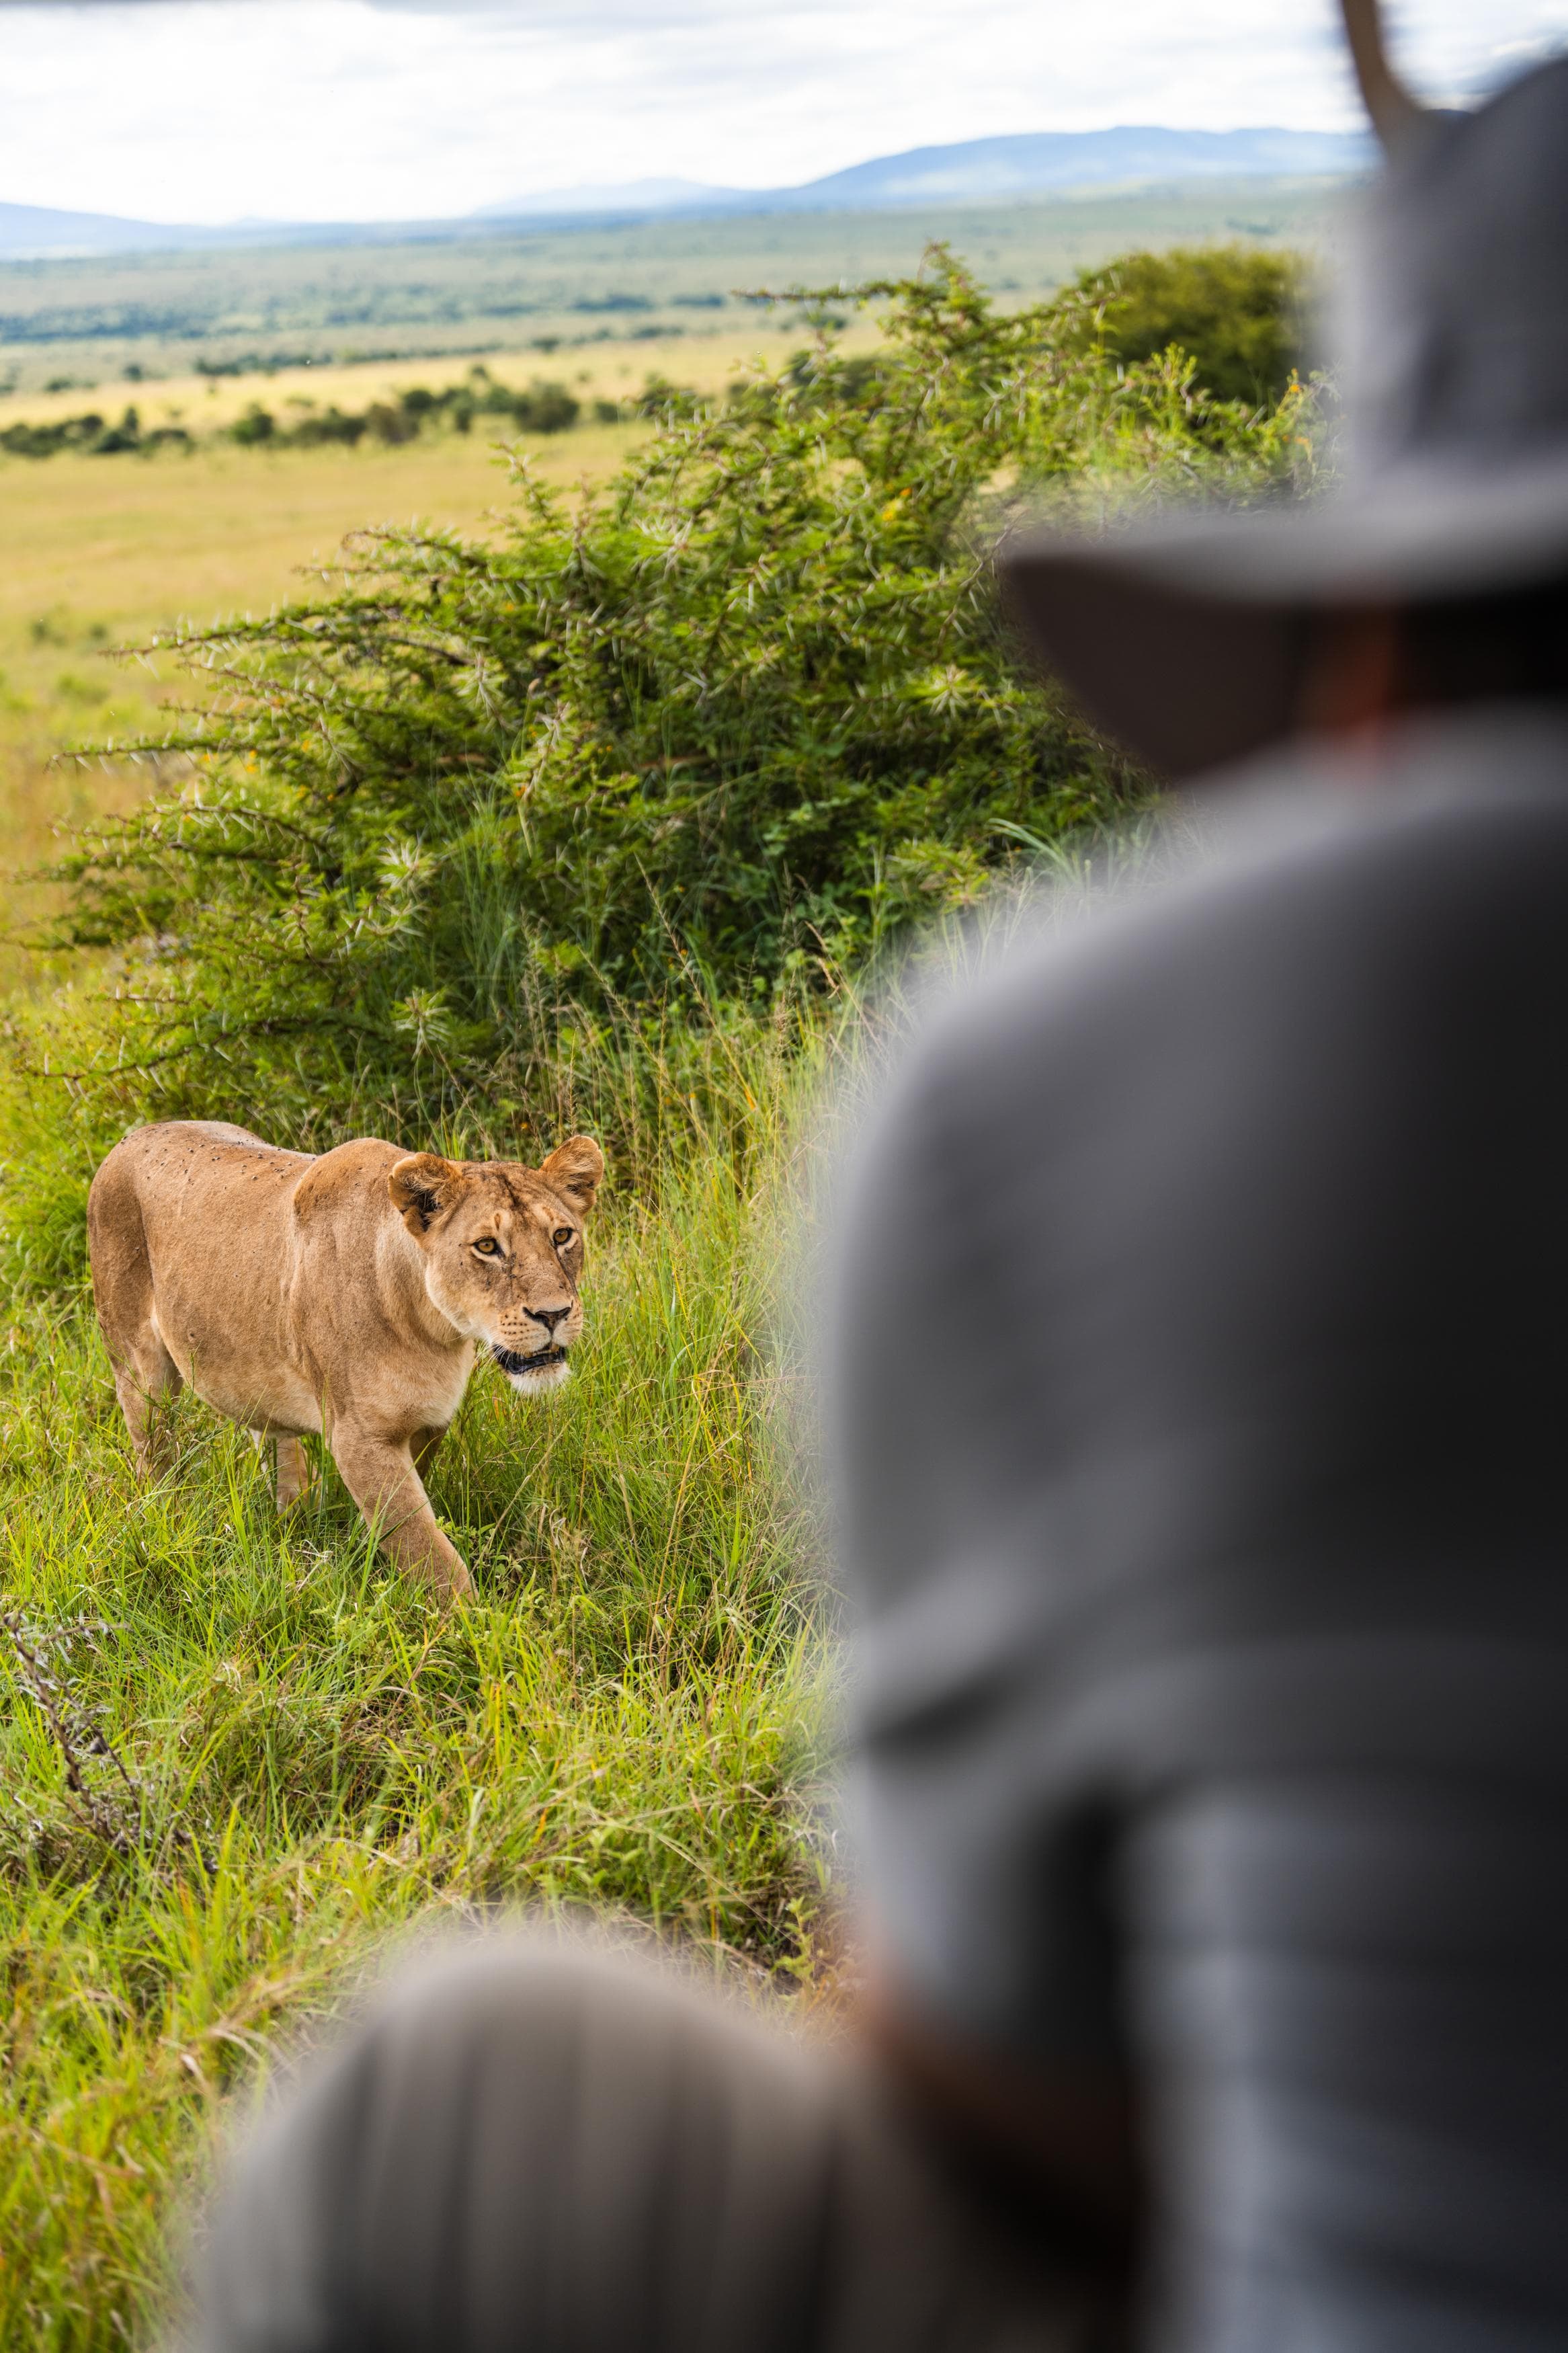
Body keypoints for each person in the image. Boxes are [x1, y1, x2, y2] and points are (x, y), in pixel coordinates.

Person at [182, 27, 1568, 2353]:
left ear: (1362, 651)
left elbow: (1034, 2110)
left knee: (449, 2091)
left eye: (552, 1242)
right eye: (499, 1242)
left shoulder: (1049, 1063)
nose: (535, 1269)